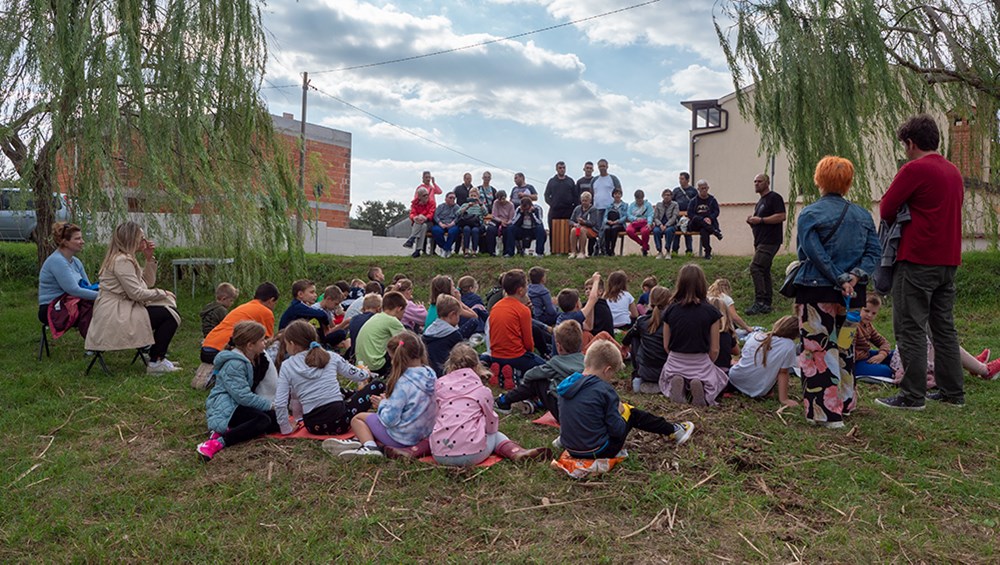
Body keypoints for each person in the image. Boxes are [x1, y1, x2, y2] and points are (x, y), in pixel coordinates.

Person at [877, 114, 966, 409]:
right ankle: (953, 392)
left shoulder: (914, 169)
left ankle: (912, 395)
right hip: (948, 260)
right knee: (943, 326)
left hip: (917, 258)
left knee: (910, 326)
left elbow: (887, 209)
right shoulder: (953, 171)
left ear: (911, 143)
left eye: (905, 145)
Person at [792, 156, 879, 428]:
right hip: (853, 295)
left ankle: (826, 413)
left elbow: (809, 253)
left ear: (819, 180)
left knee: (817, 349)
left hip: (817, 291)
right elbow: (874, 253)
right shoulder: (864, 215)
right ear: (849, 183)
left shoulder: (809, 214)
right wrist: (853, 277)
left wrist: (838, 277)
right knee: (845, 345)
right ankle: (846, 401)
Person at [556, 340, 695, 458]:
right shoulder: (603, 390)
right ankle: (673, 430)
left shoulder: (566, 384)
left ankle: (562, 441)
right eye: (613, 374)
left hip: (571, 447)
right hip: (598, 451)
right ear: (607, 370)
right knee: (631, 413)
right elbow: (617, 429)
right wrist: (618, 411)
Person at [429, 344, 551, 466]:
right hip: (472, 454)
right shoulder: (482, 391)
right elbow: (491, 421)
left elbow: (435, 414)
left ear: (449, 365)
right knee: (496, 435)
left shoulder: (439, 386)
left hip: (439, 453)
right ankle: (516, 452)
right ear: (477, 366)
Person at [85, 221, 180, 374]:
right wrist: (163, 293)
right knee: (169, 315)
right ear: (131, 239)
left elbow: (147, 283)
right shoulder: (121, 260)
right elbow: (135, 293)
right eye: (141, 237)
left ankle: (158, 358)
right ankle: (156, 361)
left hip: (122, 306)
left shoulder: (126, 258)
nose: (145, 241)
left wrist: (149, 259)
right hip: (115, 312)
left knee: (167, 311)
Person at [324, 331, 437, 459]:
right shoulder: (430, 375)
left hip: (402, 438)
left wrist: (382, 404)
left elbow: (389, 420)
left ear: (396, 358)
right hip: (422, 435)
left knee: (358, 418)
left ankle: (370, 447)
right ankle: (359, 441)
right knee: (371, 421)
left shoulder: (402, 383)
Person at [273, 320, 384, 436]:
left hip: (312, 426)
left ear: (292, 344)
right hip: (340, 422)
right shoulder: (331, 356)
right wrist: (366, 373)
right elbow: (358, 376)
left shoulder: (287, 366)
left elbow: (280, 402)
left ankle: (352, 394)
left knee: (340, 391)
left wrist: (286, 428)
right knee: (378, 385)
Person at [196, 321, 278, 461]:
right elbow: (243, 397)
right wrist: (270, 405)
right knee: (263, 420)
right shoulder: (235, 364)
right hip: (226, 406)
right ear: (250, 345)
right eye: (262, 340)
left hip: (235, 403)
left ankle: (234, 428)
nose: (265, 343)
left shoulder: (249, 359)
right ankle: (218, 442)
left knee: (274, 422)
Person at [659, 263, 729, 407]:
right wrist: (707, 363)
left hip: (675, 361)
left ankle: (680, 383)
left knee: (672, 377)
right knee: (719, 377)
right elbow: (715, 349)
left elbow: (666, 345)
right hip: (700, 361)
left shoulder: (670, 310)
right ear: (702, 284)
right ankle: (700, 385)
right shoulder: (711, 312)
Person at [495, 319, 585, 418]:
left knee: (537, 382)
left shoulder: (555, 363)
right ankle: (539, 402)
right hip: (580, 410)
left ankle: (504, 401)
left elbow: (530, 375)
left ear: (559, 347)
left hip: (563, 412)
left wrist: (526, 381)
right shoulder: (586, 361)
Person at [38, 222, 98, 337]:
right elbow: (74, 290)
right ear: (65, 242)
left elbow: (87, 287)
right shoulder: (57, 261)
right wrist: (103, 296)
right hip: (52, 308)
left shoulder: (76, 262)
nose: (82, 241)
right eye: (78, 238)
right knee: (94, 309)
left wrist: (101, 293)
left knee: (103, 305)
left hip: (70, 302)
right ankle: (93, 344)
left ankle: (97, 343)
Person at [202, 282, 279, 370]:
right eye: (275, 303)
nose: (274, 307)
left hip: (207, 347)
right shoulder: (266, 312)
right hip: (221, 351)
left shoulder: (244, 307)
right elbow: (268, 341)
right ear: (271, 300)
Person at [481, 269, 545, 374]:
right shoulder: (523, 310)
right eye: (526, 285)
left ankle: (503, 370)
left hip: (496, 355)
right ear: (521, 290)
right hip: (516, 356)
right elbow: (528, 343)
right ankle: (515, 371)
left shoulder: (496, 307)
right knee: (546, 368)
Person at [727, 316, 799, 408]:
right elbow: (783, 373)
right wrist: (784, 399)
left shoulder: (755, 335)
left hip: (734, 379)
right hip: (757, 390)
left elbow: (743, 356)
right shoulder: (789, 346)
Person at [745, 173, 787, 314]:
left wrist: (761, 220)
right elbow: (760, 222)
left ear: (767, 182)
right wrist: (753, 222)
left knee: (755, 267)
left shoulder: (774, 198)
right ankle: (766, 303)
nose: (756, 184)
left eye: (759, 181)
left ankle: (760, 301)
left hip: (770, 241)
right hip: (760, 240)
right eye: (755, 181)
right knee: (764, 270)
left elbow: (781, 216)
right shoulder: (760, 202)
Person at [355, 290, 408, 377]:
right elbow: (407, 341)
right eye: (404, 312)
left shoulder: (376, 316)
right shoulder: (392, 320)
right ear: (399, 309)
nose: (403, 315)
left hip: (362, 365)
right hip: (377, 366)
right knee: (402, 347)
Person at [629, 286, 671, 394]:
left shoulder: (641, 321)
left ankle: (638, 376)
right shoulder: (672, 322)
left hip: (645, 371)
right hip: (668, 370)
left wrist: (624, 346)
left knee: (634, 336)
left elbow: (628, 337)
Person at [853, 295, 895, 380]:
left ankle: (897, 368)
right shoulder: (853, 325)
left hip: (867, 355)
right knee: (885, 370)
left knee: (895, 354)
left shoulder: (868, 325)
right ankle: (894, 370)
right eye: (866, 311)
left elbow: (883, 342)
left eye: (873, 313)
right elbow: (848, 351)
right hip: (855, 362)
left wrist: (882, 355)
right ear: (860, 308)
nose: (869, 315)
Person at [422, 294, 465, 377]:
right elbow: (462, 356)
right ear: (452, 315)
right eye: (458, 315)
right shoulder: (454, 335)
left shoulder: (428, 332)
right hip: (447, 372)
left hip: (429, 372)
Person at [544, 160, 580, 246]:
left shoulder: (570, 181)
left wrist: (574, 206)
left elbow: (575, 195)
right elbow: (546, 195)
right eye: (560, 168)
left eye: (564, 168)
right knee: (553, 230)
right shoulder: (552, 181)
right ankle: (554, 250)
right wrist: (552, 204)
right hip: (555, 210)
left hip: (568, 210)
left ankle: (569, 249)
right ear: (556, 169)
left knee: (568, 230)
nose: (562, 170)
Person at [687, 179, 723, 260]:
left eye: (705, 188)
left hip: (708, 224)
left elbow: (716, 212)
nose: (704, 190)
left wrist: (709, 218)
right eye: (702, 188)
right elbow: (690, 213)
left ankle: (707, 252)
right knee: (698, 219)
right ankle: (715, 232)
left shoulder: (712, 200)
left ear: (708, 188)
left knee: (704, 231)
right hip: (695, 224)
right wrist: (702, 219)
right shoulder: (693, 201)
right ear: (698, 189)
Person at [708, 296, 739, 372]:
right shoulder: (727, 331)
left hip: (706, 368)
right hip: (724, 370)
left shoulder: (703, 332)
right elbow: (736, 351)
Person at [403, 187, 435, 258]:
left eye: (427, 194)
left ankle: (412, 238)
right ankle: (417, 250)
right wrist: (414, 218)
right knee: (422, 226)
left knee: (423, 225)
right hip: (418, 223)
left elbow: (431, 214)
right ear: (419, 196)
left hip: (429, 222)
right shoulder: (415, 203)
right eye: (424, 195)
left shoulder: (432, 202)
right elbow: (412, 213)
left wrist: (425, 217)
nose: (426, 196)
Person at [671, 172, 698, 255]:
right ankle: (674, 251)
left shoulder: (693, 191)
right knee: (676, 233)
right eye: (680, 179)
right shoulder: (676, 190)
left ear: (687, 180)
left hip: (689, 216)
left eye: (682, 179)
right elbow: (672, 203)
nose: (680, 181)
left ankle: (689, 251)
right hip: (678, 216)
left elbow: (696, 203)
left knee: (687, 233)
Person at [568, 191, 601, 259]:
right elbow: (570, 220)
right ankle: (574, 252)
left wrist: (584, 222)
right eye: (582, 200)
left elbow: (593, 223)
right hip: (579, 227)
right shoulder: (577, 208)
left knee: (582, 230)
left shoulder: (594, 209)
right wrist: (575, 224)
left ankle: (582, 252)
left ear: (590, 201)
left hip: (592, 230)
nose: (584, 202)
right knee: (573, 230)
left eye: (586, 201)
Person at [456, 187, 487, 257]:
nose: (473, 197)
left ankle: (474, 251)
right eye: (471, 196)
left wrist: (480, 204)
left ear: (478, 197)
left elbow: (486, 213)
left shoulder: (480, 205)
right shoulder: (465, 205)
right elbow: (458, 213)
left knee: (475, 231)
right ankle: (466, 250)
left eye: (475, 196)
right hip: (467, 223)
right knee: (466, 229)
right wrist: (467, 207)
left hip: (477, 224)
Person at [485, 189, 514, 256]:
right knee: (490, 229)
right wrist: (501, 221)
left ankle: (507, 252)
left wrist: (507, 223)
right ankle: (492, 252)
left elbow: (512, 218)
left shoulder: (511, 205)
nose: (501, 201)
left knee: (509, 231)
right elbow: (494, 215)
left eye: (503, 199)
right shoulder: (496, 203)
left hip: (507, 222)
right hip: (497, 221)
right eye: (499, 199)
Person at [625, 189, 654, 256]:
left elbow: (650, 215)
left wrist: (649, 223)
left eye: (640, 200)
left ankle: (644, 250)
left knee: (645, 231)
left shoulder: (648, 205)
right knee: (629, 231)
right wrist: (635, 219)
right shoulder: (632, 205)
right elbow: (629, 215)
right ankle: (643, 244)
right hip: (634, 223)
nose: (639, 202)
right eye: (637, 200)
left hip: (644, 223)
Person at [652, 189, 679, 260]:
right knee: (656, 231)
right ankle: (659, 251)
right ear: (662, 196)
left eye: (668, 195)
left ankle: (668, 251)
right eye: (665, 195)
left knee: (668, 231)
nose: (666, 197)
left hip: (671, 225)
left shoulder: (675, 204)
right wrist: (660, 225)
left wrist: (666, 225)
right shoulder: (658, 205)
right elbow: (655, 217)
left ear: (671, 196)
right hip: (660, 225)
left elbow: (674, 217)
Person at [431, 192, 460, 257]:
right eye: (450, 198)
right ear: (446, 199)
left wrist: (452, 223)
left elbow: (458, 217)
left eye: (454, 198)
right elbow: (435, 216)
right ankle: (447, 248)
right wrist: (440, 223)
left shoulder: (457, 207)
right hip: (441, 224)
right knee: (435, 230)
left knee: (453, 232)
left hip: (452, 224)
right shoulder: (441, 206)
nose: (452, 199)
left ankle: (445, 249)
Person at [602, 188, 629, 256]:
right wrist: (608, 221)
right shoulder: (609, 206)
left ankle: (612, 250)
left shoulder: (625, 205)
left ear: (621, 195)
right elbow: (605, 217)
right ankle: (607, 250)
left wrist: (617, 221)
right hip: (610, 223)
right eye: (615, 194)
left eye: (619, 194)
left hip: (620, 224)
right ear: (613, 195)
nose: (617, 195)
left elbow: (626, 216)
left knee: (614, 228)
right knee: (606, 229)